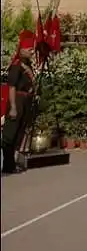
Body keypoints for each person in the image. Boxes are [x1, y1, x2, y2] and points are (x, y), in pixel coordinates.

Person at [2, 31, 37, 175]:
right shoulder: (16, 66)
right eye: (30, 50)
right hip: (17, 100)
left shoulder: (27, 65)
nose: (32, 52)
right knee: (9, 135)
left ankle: (12, 163)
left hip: (26, 101)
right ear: (22, 50)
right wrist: (13, 108)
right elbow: (11, 86)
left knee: (19, 133)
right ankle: (8, 164)